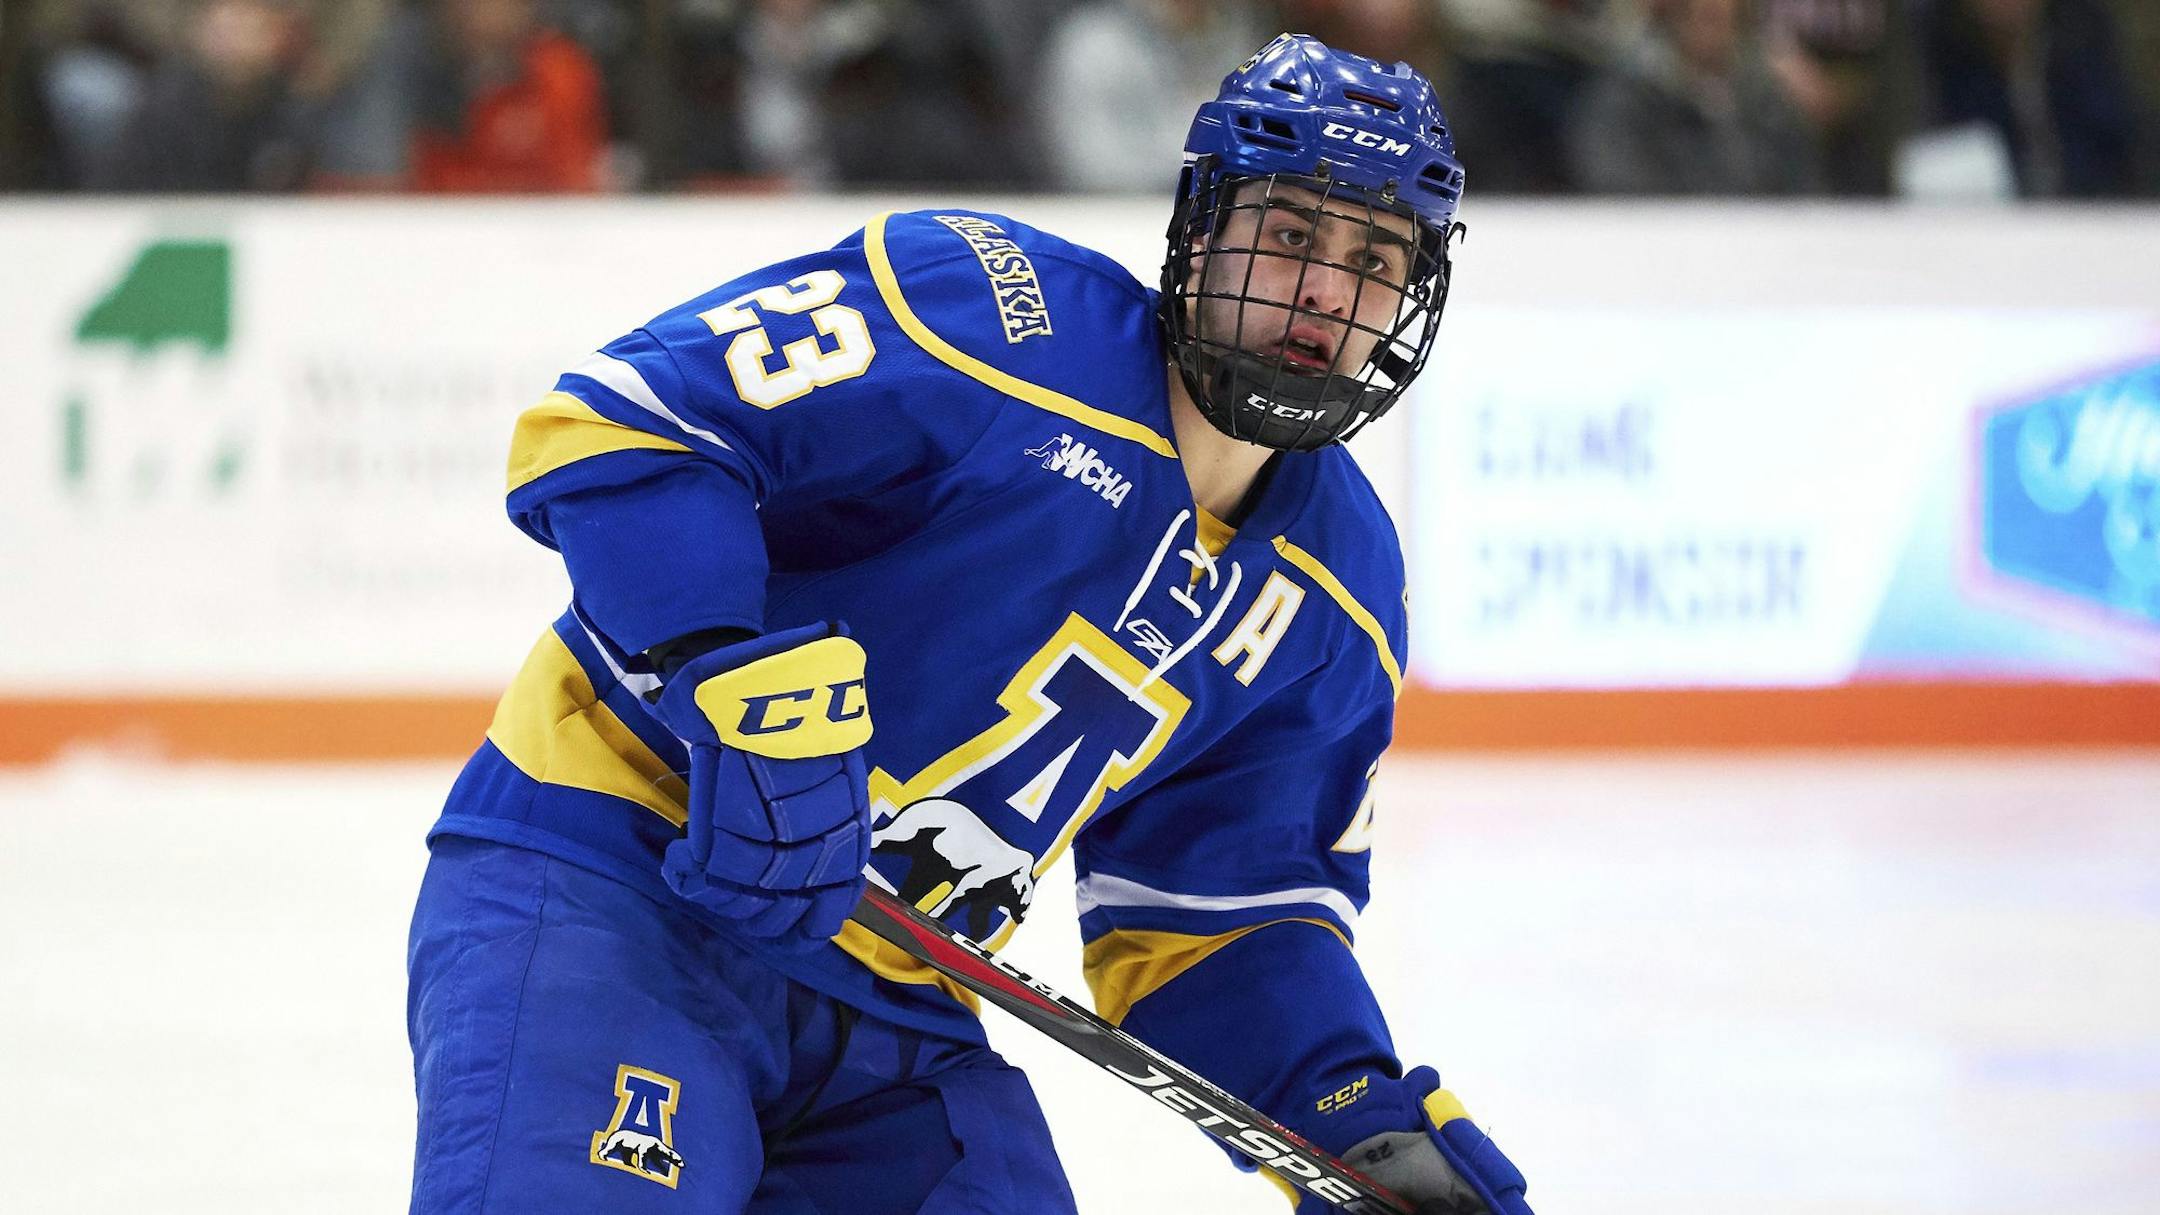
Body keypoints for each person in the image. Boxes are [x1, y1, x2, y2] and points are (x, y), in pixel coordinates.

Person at [405, 31, 1532, 1215]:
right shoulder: (996, 320)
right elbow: (619, 427)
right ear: (1201, 226)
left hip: (899, 1003)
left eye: (1371, 258)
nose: (1322, 291)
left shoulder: (1339, 591)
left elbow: (1217, 916)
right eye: (1293, 234)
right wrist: (722, 669)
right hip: (621, 878)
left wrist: (1349, 1111)